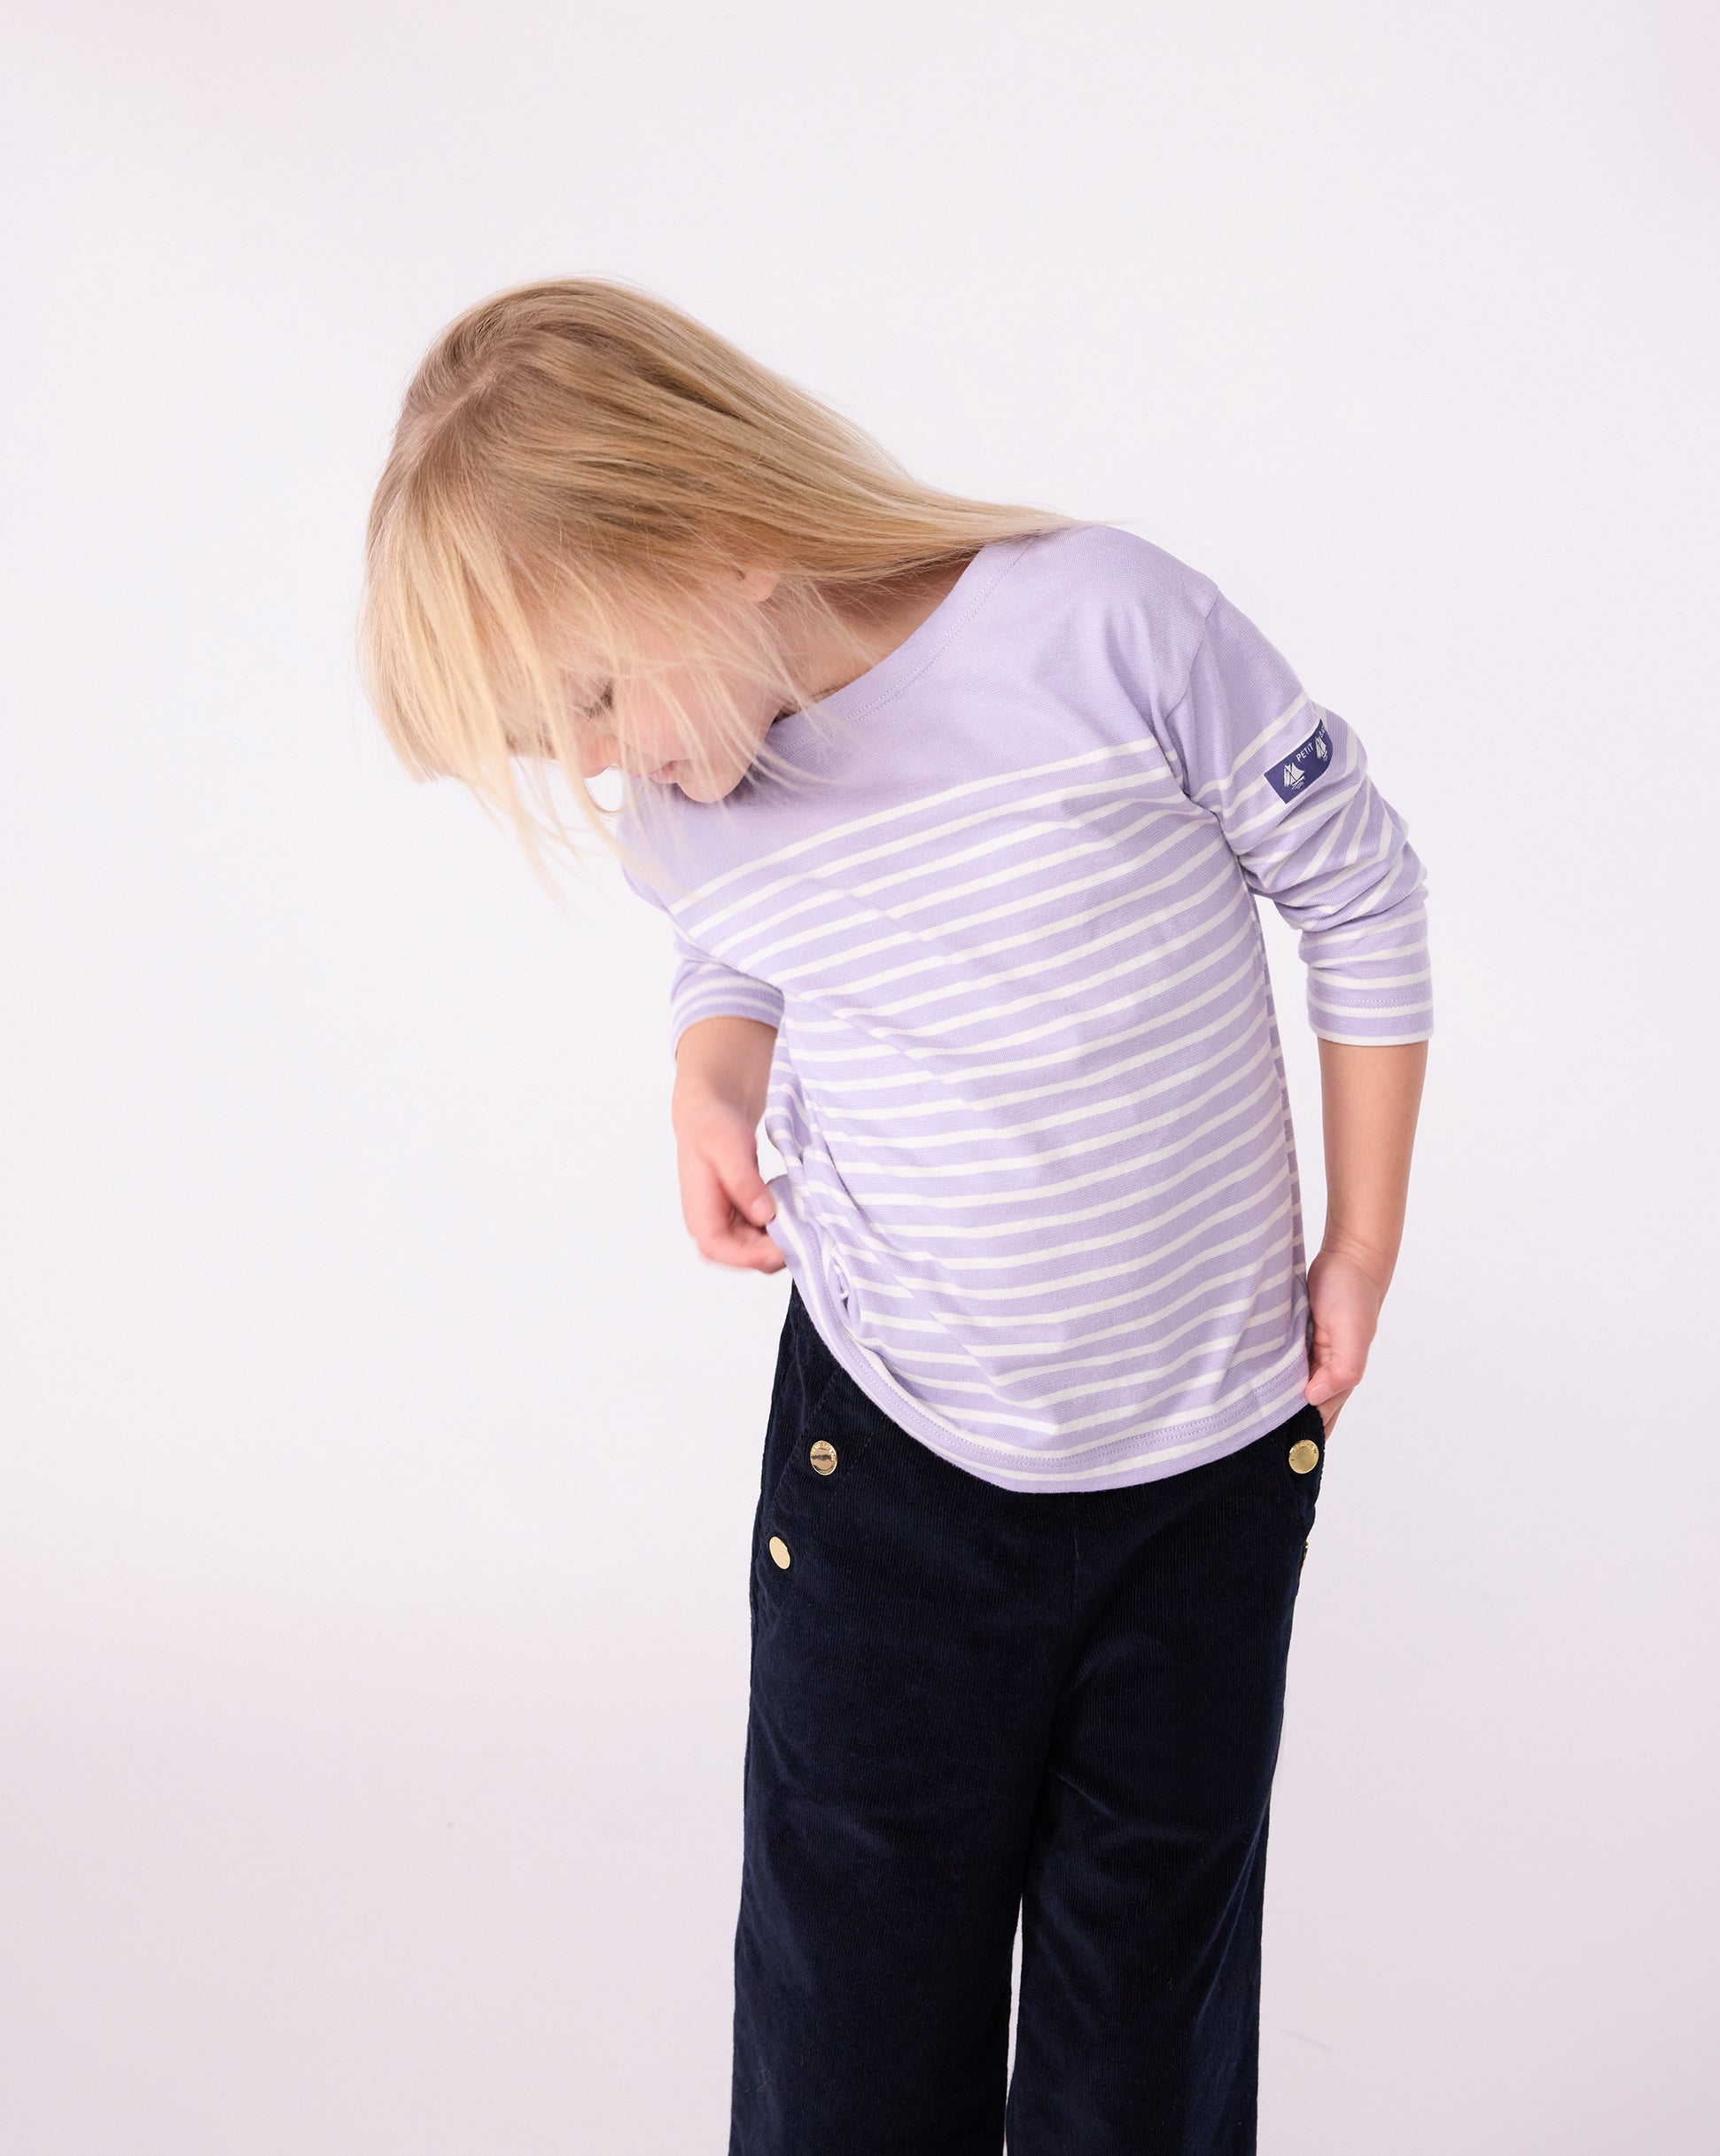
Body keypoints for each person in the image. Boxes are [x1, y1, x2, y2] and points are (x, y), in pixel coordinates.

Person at [357, 276, 1431, 2156]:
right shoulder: (685, 806)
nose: (599, 763)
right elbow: (734, 936)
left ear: (719, 530)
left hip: (1201, 1470)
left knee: (1143, 2042)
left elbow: (1357, 888)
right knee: (847, 2037)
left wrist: (1359, 1243)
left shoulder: (1103, 625)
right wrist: (710, 1071)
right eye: (554, 742)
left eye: (592, 698)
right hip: (889, 1489)